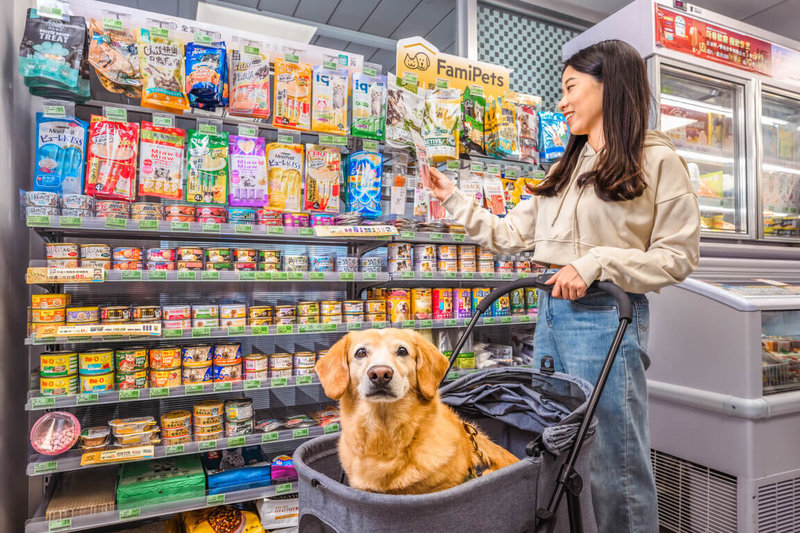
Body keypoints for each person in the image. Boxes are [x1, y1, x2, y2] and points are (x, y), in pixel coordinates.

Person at [430, 39, 701, 532]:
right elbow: (510, 236)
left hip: (608, 318)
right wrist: (453, 198)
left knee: (614, 462)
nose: (562, 101)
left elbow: (677, 256)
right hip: (551, 317)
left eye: (571, 88)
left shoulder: (657, 161)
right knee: (557, 450)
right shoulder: (566, 167)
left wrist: (596, 261)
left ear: (609, 87)